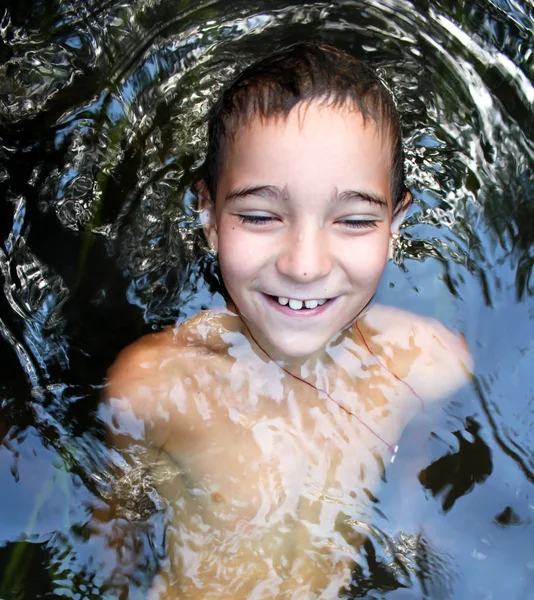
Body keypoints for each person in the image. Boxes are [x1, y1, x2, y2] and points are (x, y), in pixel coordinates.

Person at [102, 42, 472, 599]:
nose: (304, 265)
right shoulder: (156, 385)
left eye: (352, 220)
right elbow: (116, 537)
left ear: (396, 223)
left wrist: (408, 521)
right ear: (208, 215)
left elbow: (417, 453)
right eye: (259, 215)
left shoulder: (427, 366)